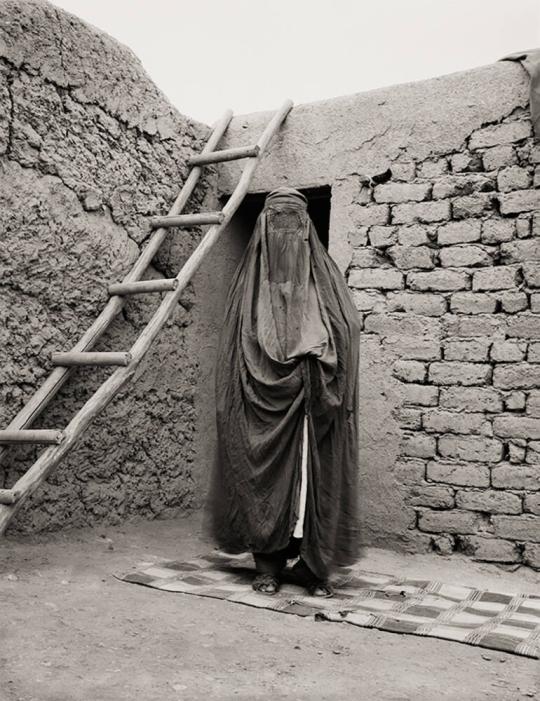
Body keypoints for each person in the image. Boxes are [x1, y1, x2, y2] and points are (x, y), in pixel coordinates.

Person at [208, 187, 360, 597]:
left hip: (315, 407)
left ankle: (313, 568)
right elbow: (236, 351)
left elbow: (345, 333)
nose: (286, 233)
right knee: (263, 480)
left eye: (294, 223)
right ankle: (268, 566)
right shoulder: (247, 290)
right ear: (263, 228)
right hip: (263, 410)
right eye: (277, 222)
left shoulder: (327, 287)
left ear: (307, 230)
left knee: (313, 485)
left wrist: (317, 364)